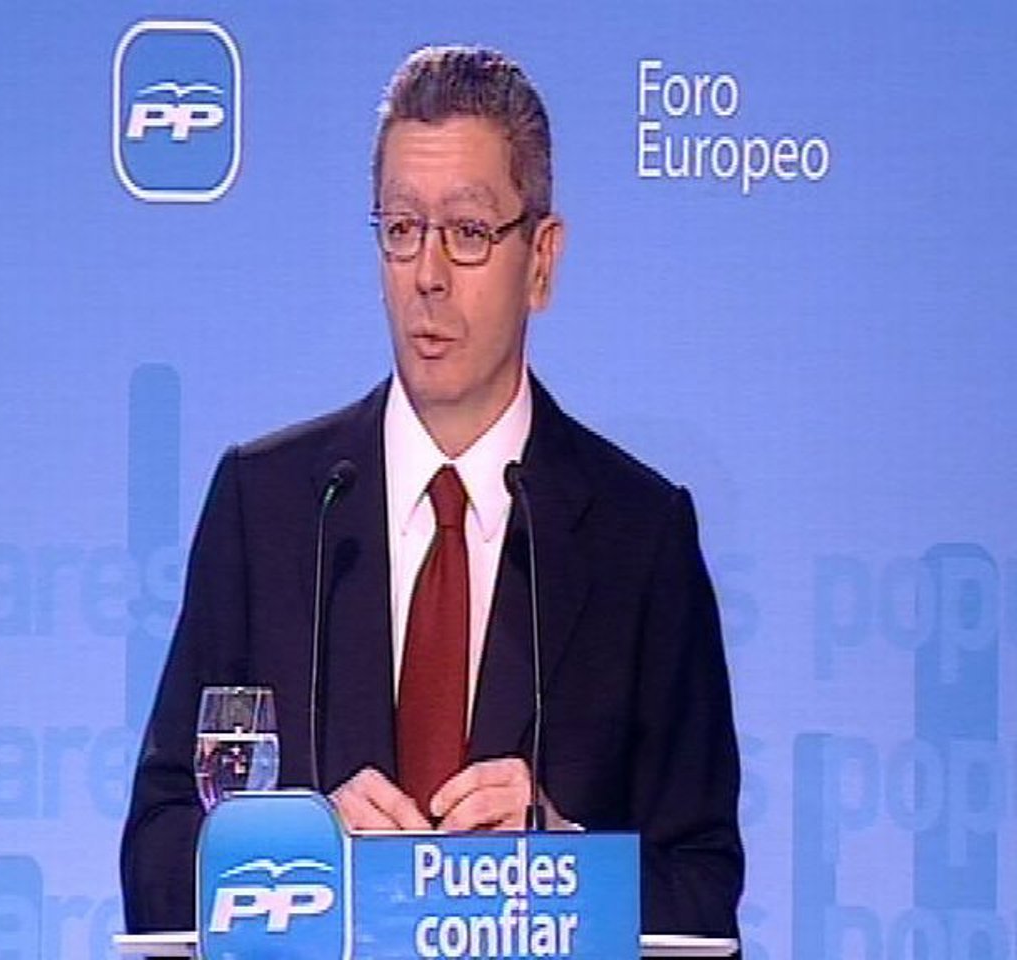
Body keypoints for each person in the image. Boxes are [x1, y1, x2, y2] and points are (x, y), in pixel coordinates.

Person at [121, 44, 743, 940]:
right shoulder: (270, 508)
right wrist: (303, 855)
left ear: (542, 260)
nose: (428, 273)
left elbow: (703, 895)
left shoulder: (638, 537)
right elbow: (155, 852)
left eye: (469, 232)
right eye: (403, 228)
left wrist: (563, 862)